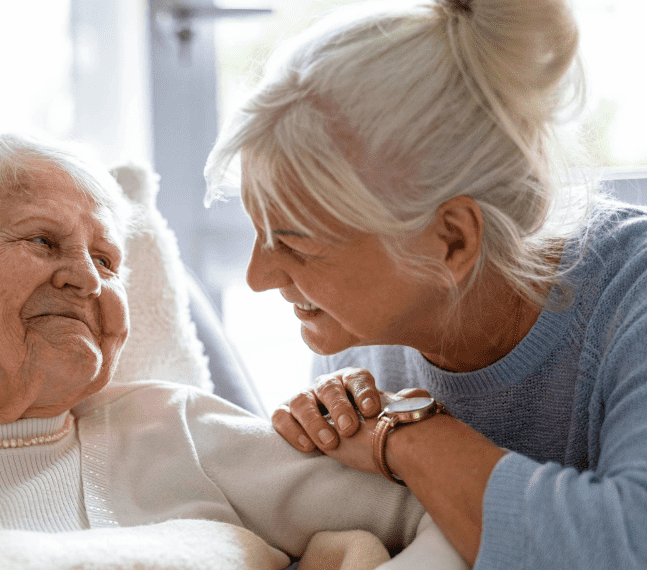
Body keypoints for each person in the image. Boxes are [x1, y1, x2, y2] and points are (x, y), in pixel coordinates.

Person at [0, 133, 465, 569]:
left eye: (108, 260)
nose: (86, 278)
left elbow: (442, 519)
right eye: (42, 241)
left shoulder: (178, 427)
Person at [203, 0, 646, 567]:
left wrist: (407, 435)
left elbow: (630, 543)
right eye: (258, 230)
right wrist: (325, 444)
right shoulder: (359, 332)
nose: (257, 278)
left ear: (452, 242)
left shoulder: (631, 297)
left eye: (298, 244)